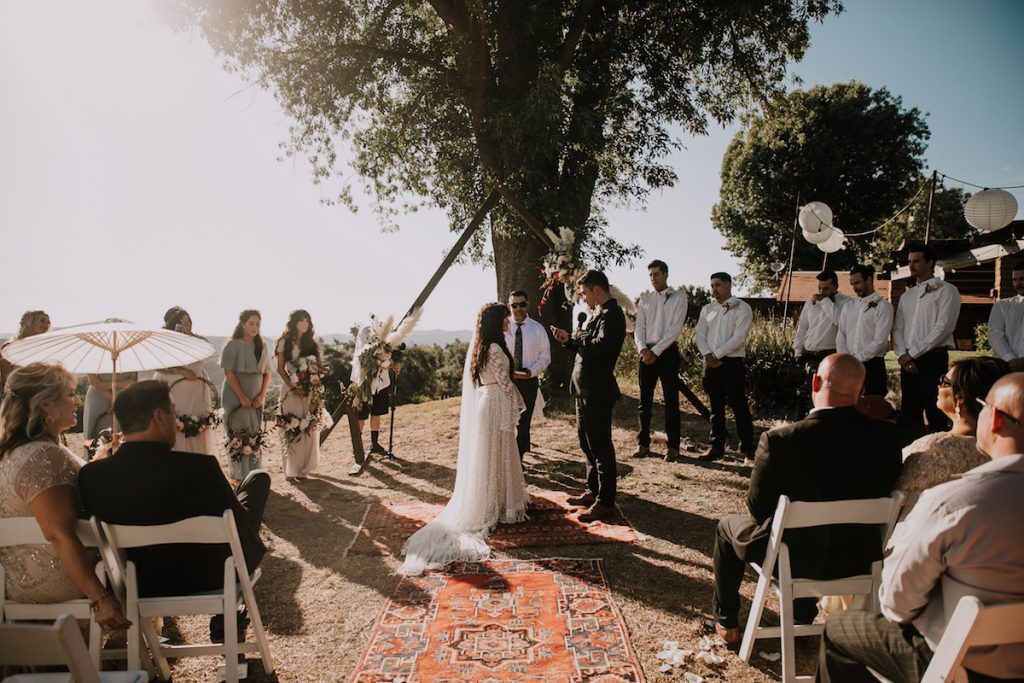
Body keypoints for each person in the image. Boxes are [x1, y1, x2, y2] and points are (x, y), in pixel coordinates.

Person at [816, 373, 1024, 682]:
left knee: (838, 628)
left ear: (994, 420)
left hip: (960, 667)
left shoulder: (954, 501)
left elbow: (895, 605)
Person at [710, 354, 902, 644]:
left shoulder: (781, 442)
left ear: (815, 382)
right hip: (858, 559)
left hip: (796, 563)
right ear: (862, 393)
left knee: (728, 527)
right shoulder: (887, 439)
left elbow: (757, 511)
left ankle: (728, 622)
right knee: (804, 534)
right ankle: (800, 616)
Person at [78, 381, 268, 640]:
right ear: (158, 416)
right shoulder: (201, 468)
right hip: (210, 579)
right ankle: (230, 614)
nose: (175, 420)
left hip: (137, 585)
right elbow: (237, 524)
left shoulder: (91, 477)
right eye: (172, 412)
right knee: (256, 482)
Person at [399, 303, 528, 575]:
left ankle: (500, 499)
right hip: (494, 402)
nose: (509, 321)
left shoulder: (487, 346)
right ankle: (495, 504)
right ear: (497, 321)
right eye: (505, 317)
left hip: (490, 401)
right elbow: (504, 381)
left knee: (495, 452)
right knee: (497, 451)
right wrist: (520, 400)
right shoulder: (493, 348)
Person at [0, 362, 130, 630]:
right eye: (70, 393)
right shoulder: (46, 457)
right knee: (139, 553)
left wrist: (102, 461)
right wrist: (100, 597)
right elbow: (58, 533)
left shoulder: (13, 453)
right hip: (61, 579)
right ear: (46, 405)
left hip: (17, 580)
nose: (78, 400)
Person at [551, 270, 627, 524]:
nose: (582, 297)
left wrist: (581, 336)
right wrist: (568, 341)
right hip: (583, 389)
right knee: (585, 442)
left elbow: (603, 348)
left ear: (597, 290)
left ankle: (605, 502)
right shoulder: (597, 313)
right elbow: (587, 347)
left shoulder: (613, 314)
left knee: (601, 445)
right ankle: (593, 490)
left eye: (584, 292)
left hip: (598, 389)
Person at [896, 356, 1009, 495]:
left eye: (945, 382)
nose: (938, 385)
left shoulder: (932, 447)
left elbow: (899, 495)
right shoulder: (1007, 450)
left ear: (960, 397)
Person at [892, 243, 962, 433]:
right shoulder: (907, 296)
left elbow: (943, 327)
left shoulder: (947, 290)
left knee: (936, 410)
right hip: (907, 361)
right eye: (909, 262)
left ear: (930, 262)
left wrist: (912, 354)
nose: (911, 266)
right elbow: (897, 328)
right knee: (909, 413)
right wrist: (902, 355)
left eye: (916, 261)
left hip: (933, 358)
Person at [695, 272, 755, 460]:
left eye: (718, 285)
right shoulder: (707, 309)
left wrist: (717, 354)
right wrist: (707, 355)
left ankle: (747, 448)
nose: (714, 289)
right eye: (712, 285)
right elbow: (700, 334)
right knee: (715, 407)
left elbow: (739, 338)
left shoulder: (742, 308)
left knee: (739, 406)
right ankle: (716, 446)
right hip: (710, 362)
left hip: (732, 363)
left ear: (729, 284)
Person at [632, 259, 687, 462]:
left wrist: (655, 351)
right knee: (644, 400)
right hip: (646, 352)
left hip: (667, 352)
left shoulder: (679, 298)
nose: (653, 278)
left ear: (665, 274)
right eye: (650, 275)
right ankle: (643, 443)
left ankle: (673, 446)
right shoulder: (645, 300)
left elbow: (675, 329)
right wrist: (643, 349)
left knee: (671, 400)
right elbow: (639, 328)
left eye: (656, 274)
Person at [153, 306, 218, 455]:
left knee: (197, 424)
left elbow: (209, 349)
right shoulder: (165, 341)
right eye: (182, 323)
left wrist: (189, 335)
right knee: (176, 423)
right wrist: (181, 371)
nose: (186, 325)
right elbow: (158, 366)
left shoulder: (198, 340)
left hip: (196, 392)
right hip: (174, 389)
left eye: (189, 322)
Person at [221, 310, 272, 487]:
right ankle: (238, 477)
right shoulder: (232, 345)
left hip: (256, 395)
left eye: (258, 323)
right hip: (235, 394)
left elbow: (267, 374)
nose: (255, 327)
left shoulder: (262, 346)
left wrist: (261, 396)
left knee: (254, 432)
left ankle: (253, 475)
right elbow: (228, 372)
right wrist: (242, 396)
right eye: (251, 323)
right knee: (237, 433)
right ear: (243, 324)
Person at [275, 310, 325, 481]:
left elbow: (320, 367)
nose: (305, 324)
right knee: (292, 425)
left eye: (308, 321)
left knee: (308, 426)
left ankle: (304, 468)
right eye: (302, 320)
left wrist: (313, 381)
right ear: (294, 322)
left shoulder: (311, 343)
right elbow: (280, 369)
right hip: (290, 390)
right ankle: (291, 469)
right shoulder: (284, 341)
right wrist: (293, 386)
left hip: (309, 392)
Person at [503, 290, 551, 461]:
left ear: (528, 304)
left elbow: (545, 357)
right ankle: (509, 457)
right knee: (508, 421)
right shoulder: (503, 328)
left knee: (523, 422)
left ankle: (519, 459)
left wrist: (532, 371)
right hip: (506, 382)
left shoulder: (538, 329)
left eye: (522, 304)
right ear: (509, 306)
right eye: (514, 305)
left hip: (529, 382)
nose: (518, 309)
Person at [836, 264, 894, 397]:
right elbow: (841, 335)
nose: (855, 287)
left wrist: (858, 359)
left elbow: (880, 341)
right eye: (852, 284)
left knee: (872, 408)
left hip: (873, 366)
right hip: (849, 365)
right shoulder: (849, 306)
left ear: (868, 279)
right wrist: (846, 359)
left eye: (857, 283)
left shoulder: (884, 307)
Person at [793, 270, 848, 390]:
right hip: (808, 356)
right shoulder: (810, 303)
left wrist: (825, 302)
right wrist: (798, 353)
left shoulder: (845, 303)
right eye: (819, 288)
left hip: (829, 356)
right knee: (807, 394)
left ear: (836, 286)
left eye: (826, 288)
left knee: (826, 394)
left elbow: (840, 321)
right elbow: (802, 328)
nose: (822, 292)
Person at [351, 321, 395, 457]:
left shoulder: (386, 338)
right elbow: (364, 355)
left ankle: (374, 444)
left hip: (381, 382)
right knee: (361, 416)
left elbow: (391, 355)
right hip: (363, 382)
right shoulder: (364, 333)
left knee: (376, 413)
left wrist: (391, 362)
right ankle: (358, 446)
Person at [0, 310, 51, 394]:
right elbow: (5, 380)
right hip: (18, 397)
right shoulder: (10, 348)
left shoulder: (45, 349)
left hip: (42, 397)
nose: (47, 325)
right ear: (29, 324)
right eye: (42, 320)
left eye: (48, 322)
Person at [988, 260, 1024, 372]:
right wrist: (1011, 360)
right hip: (1007, 367)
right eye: (1015, 280)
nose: (1018, 284)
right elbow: (995, 336)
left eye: (1022, 279)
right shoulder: (1003, 305)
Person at [83, 371, 138, 442]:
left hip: (125, 397)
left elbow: (133, 382)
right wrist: (114, 398)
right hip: (99, 398)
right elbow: (94, 382)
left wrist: (106, 385)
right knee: (97, 438)